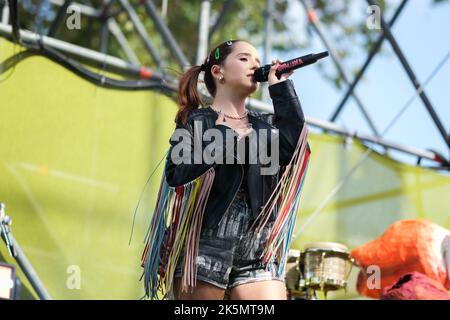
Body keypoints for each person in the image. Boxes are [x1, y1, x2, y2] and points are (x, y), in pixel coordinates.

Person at [140, 39, 311, 300]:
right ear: (218, 72)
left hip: (257, 244)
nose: (254, 65)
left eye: (256, 61)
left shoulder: (265, 128)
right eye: (244, 59)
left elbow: (296, 147)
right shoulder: (195, 121)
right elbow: (177, 175)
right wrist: (224, 135)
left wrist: (283, 89)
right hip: (206, 241)